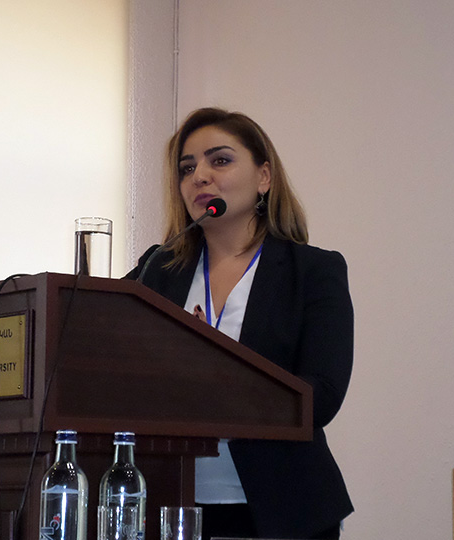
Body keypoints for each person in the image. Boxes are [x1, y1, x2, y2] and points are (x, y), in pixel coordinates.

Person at [125, 107, 354, 539]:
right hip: (170, 504)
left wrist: (218, 372)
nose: (200, 176)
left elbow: (321, 395)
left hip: (283, 509)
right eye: (187, 168)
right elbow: (96, 339)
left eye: (220, 160)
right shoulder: (158, 269)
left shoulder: (312, 272)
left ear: (264, 177)